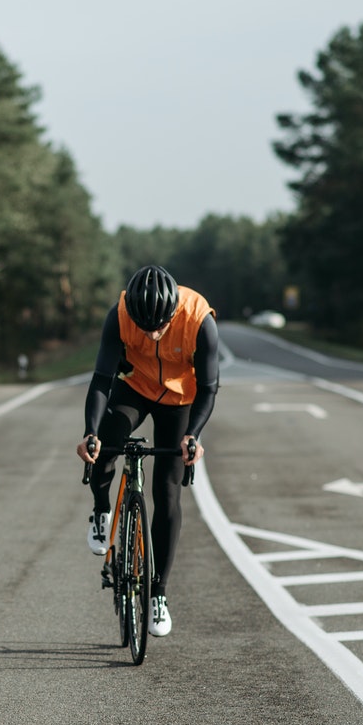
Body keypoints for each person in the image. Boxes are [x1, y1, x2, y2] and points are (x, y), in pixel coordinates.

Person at [76, 264, 220, 637]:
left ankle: (158, 593)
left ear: (173, 312)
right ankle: (101, 509)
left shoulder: (199, 319)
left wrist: (193, 436)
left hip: (181, 398)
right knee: (106, 444)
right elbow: (101, 379)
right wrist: (91, 432)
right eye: (145, 327)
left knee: (167, 491)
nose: (153, 333)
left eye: (160, 326)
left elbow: (209, 388)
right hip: (135, 388)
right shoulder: (119, 315)